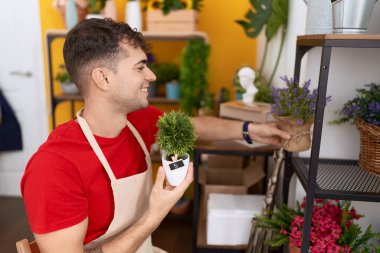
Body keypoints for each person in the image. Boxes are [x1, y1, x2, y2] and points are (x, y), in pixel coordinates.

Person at [21, 18, 290, 253]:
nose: (151, 75)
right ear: (103, 78)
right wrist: (156, 213)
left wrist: (251, 130)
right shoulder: (53, 167)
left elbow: (192, 126)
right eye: (140, 67)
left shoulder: (136, 122)